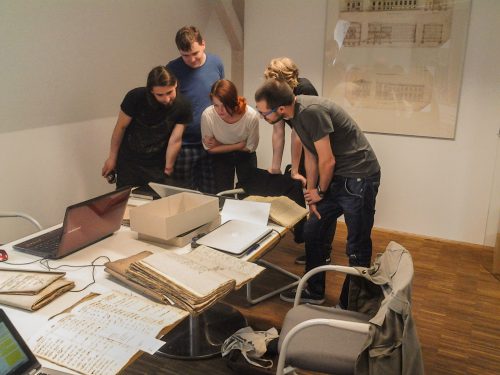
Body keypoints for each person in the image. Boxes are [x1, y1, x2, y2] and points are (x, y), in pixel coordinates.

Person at [255, 79, 381, 306]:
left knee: (356, 245)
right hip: (337, 177)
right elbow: (311, 157)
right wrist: (312, 193)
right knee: (313, 231)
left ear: (280, 109)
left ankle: (352, 304)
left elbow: (328, 161)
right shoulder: (294, 116)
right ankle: (314, 291)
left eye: (264, 113)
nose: (262, 117)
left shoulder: (311, 112)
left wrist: (320, 192)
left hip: (359, 176)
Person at [264, 57, 334, 264]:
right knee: (306, 196)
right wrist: (275, 165)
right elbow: (278, 129)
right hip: (304, 149)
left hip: (316, 149)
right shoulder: (276, 95)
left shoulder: (305, 90)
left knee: (321, 199)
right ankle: (312, 243)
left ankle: (323, 251)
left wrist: (295, 168)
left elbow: (299, 134)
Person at [101, 66, 191, 188]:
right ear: (151, 91)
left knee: (155, 204)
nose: (166, 99)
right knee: (127, 201)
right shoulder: (135, 97)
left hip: (156, 165)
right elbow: (120, 127)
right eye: (160, 95)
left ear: (175, 84)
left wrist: (168, 168)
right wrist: (112, 158)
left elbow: (175, 140)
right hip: (129, 162)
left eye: (169, 92)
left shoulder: (183, 105)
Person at [167, 26, 225, 194]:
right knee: (184, 195)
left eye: (195, 53)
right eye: (185, 55)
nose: (191, 59)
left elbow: (221, 98)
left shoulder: (216, 63)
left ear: (203, 44)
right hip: (184, 144)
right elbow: (169, 107)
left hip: (211, 141)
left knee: (212, 194)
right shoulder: (172, 69)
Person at [201, 79, 259, 193]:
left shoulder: (251, 116)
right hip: (221, 156)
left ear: (233, 102)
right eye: (216, 105)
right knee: (222, 193)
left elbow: (250, 147)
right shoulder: (208, 115)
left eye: (224, 105)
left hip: (245, 155)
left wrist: (219, 144)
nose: (220, 110)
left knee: (248, 190)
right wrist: (238, 145)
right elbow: (210, 149)